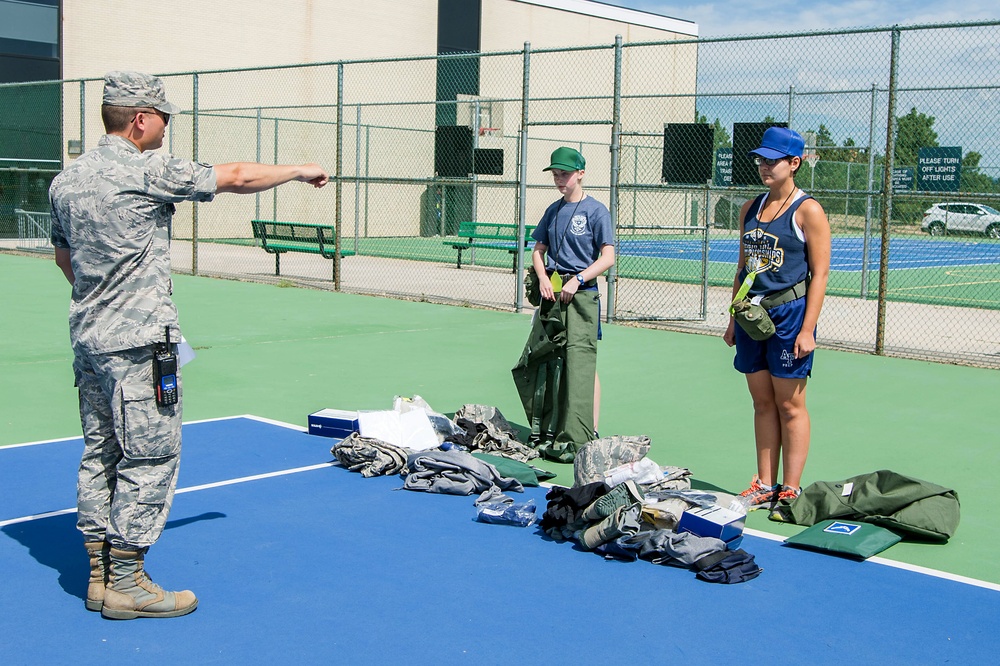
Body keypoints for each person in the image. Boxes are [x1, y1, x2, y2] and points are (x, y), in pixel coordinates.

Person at [49, 71, 329, 620]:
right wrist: (299, 169)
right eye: (163, 119)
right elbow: (238, 176)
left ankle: (100, 576)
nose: (165, 129)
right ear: (139, 120)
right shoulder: (146, 169)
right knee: (152, 454)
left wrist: (107, 304)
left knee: (101, 450)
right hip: (146, 345)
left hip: (92, 341)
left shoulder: (67, 180)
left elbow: (65, 259)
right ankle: (129, 584)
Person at [723, 127, 831, 512]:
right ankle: (764, 483)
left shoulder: (808, 210)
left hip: (791, 316)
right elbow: (742, 267)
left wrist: (807, 329)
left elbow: (819, 273)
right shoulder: (749, 208)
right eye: (761, 160)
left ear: (794, 163)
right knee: (762, 402)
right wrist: (734, 316)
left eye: (773, 160)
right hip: (753, 315)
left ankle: (791, 487)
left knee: (790, 405)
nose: (765, 166)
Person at [521, 146, 615, 459]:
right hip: (555, 296)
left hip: (582, 295)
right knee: (554, 358)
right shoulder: (553, 210)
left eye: (566, 174)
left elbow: (608, 257)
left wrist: (578, 279)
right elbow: (537, 249)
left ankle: (588, 430)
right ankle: (553, 427)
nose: (560, 179)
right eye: (556, 174)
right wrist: (544, 278)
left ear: (581, 173)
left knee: (583, 363)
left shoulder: (596, 211)